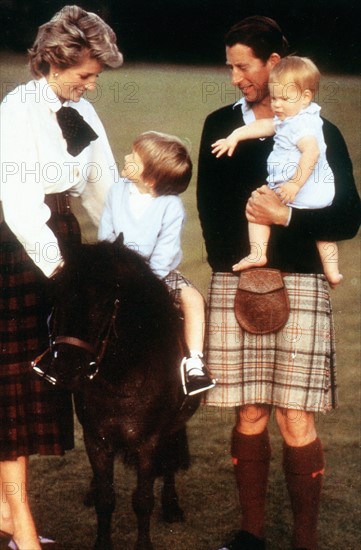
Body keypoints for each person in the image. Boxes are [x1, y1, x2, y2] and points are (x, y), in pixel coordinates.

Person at [197, 15, 361, 550]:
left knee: (295, 416)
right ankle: (251, 536)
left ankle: (307, 542)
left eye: (243, 66)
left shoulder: (321, 131)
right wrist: (250, 266)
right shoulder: (220, 124)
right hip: (238, 279)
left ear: (274, 64)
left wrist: (286, 220)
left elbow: (347, 219)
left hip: (305, 283)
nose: (236, 77)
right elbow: (213, 215)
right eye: (230, 67)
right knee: (249, 411)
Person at [0, 5, 123, 549]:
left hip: (63, 239)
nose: (91, 86)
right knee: (13, 387)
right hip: (15, 247)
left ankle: (6, 513)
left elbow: (105, 190)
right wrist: (57, 269)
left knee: (48, 378)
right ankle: (20, 525)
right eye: (87, 75)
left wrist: (133, 258)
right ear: (55, 59)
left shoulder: (84, 113)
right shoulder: (17, 110)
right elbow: (20, 202)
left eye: (96, 77)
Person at [98, 130, 215, 396]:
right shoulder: (116, 191)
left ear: (150, 179)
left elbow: (166, 251)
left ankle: (194, 363)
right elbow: (106, 234)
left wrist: (145, 280)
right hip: (117, 268)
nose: (126, 157)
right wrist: (113, 268)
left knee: (193, 299)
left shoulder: (170, 206)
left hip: (157, 273)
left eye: (134, 158)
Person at [212, 55, 342, 288]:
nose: (277, 104)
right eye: (274, 98)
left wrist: (295, 184)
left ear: (305, 97)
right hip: (304, 190)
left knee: (257, 212)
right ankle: (330, 270)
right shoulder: (292, 118)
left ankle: (259, 251)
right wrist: (235, 136)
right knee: (322, 234)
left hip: (303, 187)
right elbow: (264, 125)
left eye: (284, 98)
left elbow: (311, 153)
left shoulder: (302, 124)